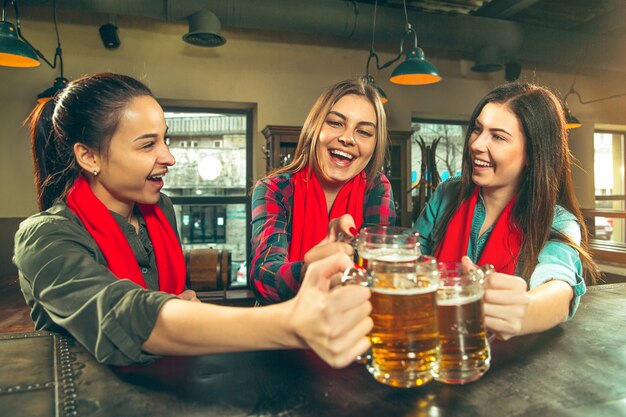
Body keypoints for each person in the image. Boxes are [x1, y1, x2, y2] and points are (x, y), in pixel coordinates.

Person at [13, 73, 373, 367]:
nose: (169, 157)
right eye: (147, 145)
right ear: (89, 156)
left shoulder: (160, 210)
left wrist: (184, 304)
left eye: (165, 140)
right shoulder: (45, 237)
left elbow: (173, 300)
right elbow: (123, 316)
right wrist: (291, 324)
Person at [415, 82, 599, 340]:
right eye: (477, 130)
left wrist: (525, 311)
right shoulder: (447, 194)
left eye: (498, 137)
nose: (477, 144)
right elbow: (409, 261)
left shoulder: (558, 220)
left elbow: (559, 286)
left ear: (533, 154)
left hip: (504, 363)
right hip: (432, 347)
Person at [250, 78, 396, 305]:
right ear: (314, 128)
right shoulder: (274, 189)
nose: (347, 138)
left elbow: (378, 272)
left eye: (364, 132)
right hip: (282, 332)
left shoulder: (377, 188)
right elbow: (263, 276)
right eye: (336, 123)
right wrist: (310, 271)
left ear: (375, 145)